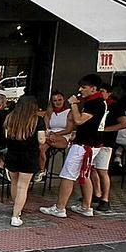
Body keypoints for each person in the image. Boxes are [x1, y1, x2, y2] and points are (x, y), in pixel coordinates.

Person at [41, 74, 107, 218]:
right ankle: (86, 207)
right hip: (89, 143)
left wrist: (74, 104)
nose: (80, 90)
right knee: (85, 174)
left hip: (84, 145)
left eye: (84, 87)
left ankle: (60, 208)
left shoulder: (95, 103)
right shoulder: (97, 102)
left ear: (93, 88)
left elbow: (78, 120)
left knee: (67, 176)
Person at [4, 96, 47, 227]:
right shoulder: (37, 120)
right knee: (23, 187)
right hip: (29, 155)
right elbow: (41, 140)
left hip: (12, 153)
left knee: (14, 183)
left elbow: (6, 135)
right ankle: (16, 215)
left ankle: (16, 209)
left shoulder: (10, 117)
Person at [92, 94, 126, 214]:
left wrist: (105, 129)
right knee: (92, 168)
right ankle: (97, 193)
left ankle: (105, 199)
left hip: (106, 142)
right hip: (93, 141)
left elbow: (124, 124)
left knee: (102, 170)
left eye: (102, 91)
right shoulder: (97, 104)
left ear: (108, 93)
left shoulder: (115, 106)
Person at [40, 91, 74, 180]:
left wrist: (54, 134)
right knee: (41, 147)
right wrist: (48, 133)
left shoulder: (69, 112)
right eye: (55, 100)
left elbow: (68, 130)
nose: (58, 102)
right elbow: (46, 127)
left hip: (63, 136)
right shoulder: (49, 113)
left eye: (60, 100)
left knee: (49, 138)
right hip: (49, 135)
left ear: (64, 100)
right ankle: (42, 170)